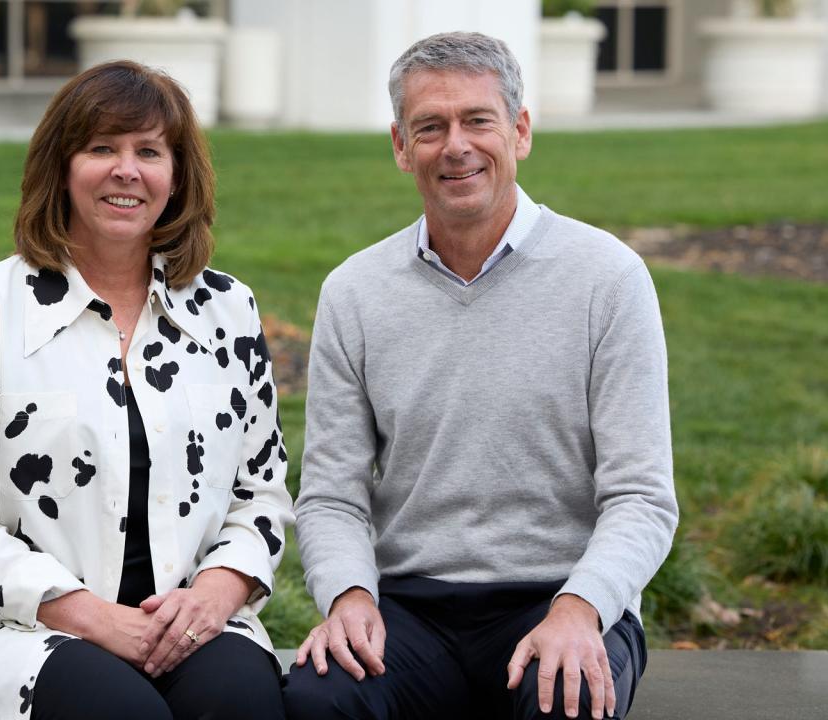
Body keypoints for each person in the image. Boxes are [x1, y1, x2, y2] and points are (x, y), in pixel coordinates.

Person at [283, 32, 678, 720]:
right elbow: (330, 494)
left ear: (520, 132)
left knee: (571, 702)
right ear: (401, 147)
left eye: (478, 120)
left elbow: (642, 496)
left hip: (560, 594)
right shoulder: (355, 291)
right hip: (408, 605)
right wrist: (348, 596)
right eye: (429, 127)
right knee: (320, 703)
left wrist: (581, 608)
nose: (455, 145)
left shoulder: (608, 279)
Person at [0, 60, 292, 720]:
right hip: (25, 633)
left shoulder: (228, 310)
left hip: (190, 624)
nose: (127, 170)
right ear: (62, 168)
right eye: (101, 149)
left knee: (242, 704)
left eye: (149, 151)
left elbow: (260, 492)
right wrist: (98, 622)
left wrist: (214, 594)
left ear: (176, 177)